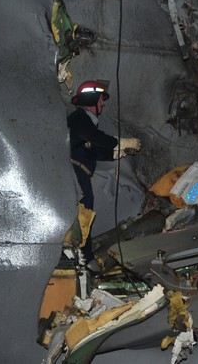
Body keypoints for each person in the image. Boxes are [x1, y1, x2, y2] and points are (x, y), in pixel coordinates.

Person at [68, 80, 141, 263]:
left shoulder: (85, 125)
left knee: (86, 218)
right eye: (101, 99)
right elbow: (96, 138)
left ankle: (85, 257)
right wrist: (120, 142)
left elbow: (93, 149)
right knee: (82, 219)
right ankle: (82, 258)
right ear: (91, 99)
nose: (103, 103)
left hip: (81, 175)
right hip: (76, 175)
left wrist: (117, 153)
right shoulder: (79, 119)